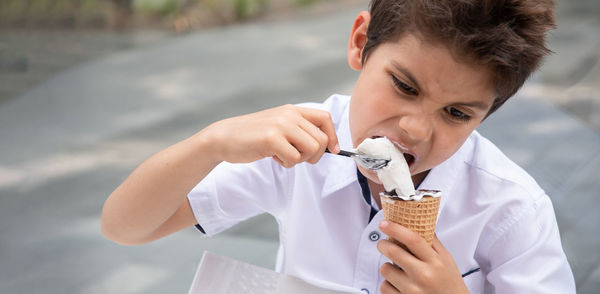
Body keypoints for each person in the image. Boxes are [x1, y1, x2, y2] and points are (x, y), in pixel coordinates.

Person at [101, 0, 576, 293]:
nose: (414, 129)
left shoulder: (511, 208)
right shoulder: (299, 145)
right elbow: (126, 227)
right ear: (360, 42)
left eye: (456, 113)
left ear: (486, 115)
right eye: (404, 86)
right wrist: (211, 144)